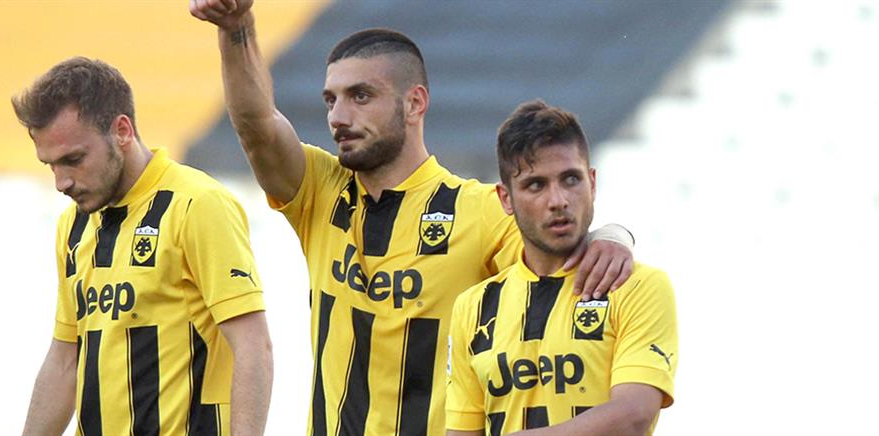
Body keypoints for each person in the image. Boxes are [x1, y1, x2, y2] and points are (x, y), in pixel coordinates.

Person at [190, 1, 635, 434]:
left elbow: (561, 252)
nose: (338, 117)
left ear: (414, 104)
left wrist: (613, 235)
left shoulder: (477, 210)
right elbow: (256, 125)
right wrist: (236, 27)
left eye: (360, 96)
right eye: (330, 100)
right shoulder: (320, 191)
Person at [13, 57, 273, 436]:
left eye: (74, 159)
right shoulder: (74, 225)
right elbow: (66, 358)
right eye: (50, 165)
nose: (61, 182)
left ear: (122, 130)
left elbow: (253, 346)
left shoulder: (196, 204)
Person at [446, 100, 678, 436]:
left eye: (570, 179)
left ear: (592, 183)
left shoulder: (638, 285)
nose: (558, 200)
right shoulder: (473, 306)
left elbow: (633, 416)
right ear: (506, 199)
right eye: (536, 185)